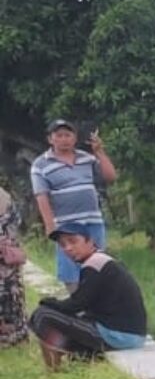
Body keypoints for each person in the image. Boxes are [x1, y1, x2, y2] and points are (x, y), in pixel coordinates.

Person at [29, 228, 147, 373]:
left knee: (43, 315)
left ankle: (53, 372)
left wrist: (49, 302)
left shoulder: (94, 264)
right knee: (67, 320)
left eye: (73, 241)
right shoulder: (103, 260)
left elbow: (76, 304)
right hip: (129, 334)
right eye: (63, 244)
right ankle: (80, 357)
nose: (68, 248)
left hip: (120, 336)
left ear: (90, 242)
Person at [30, 119, 116, 290]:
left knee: (98, 266)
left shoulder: (87, 158)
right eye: (59, 135)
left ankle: (100, 310)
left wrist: (99, 152)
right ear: (50, 139)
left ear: (75, 138)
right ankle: (77, 309)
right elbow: (42, 195)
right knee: (71, 269)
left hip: (92, 222)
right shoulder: (40, 164)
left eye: (68, 135)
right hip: (66, 226)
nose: (64, 139)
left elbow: (110, 177)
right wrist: (50, 225)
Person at [0, 187, 25, 347]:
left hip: (6, 256)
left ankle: (11, 332)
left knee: (10, 290)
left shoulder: (4, 197)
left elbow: (13, 226)